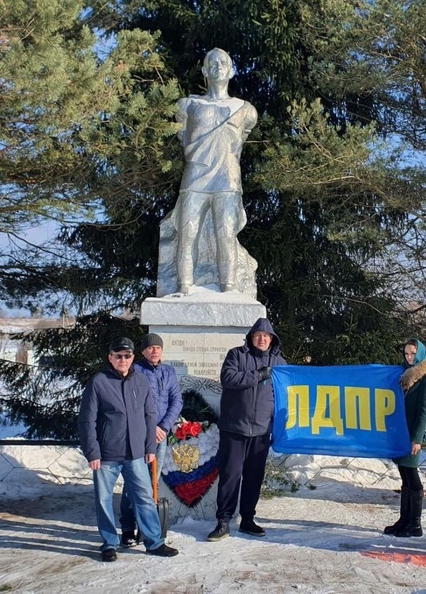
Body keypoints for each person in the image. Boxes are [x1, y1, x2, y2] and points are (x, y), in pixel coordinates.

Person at [77, 336, 179, 562]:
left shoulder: (140, 381)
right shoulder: (98, 382)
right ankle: (109, 543)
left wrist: (150, 446)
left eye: (127, 356)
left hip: (135, 453)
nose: (123, 360)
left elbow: (149, 414)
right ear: (110, 358)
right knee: (103, 500)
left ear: (133, 357)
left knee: (143, 497)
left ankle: (154, 542)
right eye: (118, 356)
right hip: (106, 454)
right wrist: (92, 452)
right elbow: (87, 420)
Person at [171, 47, 258, 294]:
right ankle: (184, 287)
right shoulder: (187, 105)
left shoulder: (246, 110)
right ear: (204, 70)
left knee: (226, 235)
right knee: (187, 233)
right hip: (195, 178)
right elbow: (183, 136)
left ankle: (228, 289)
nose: (218, 66)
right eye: (213, 62)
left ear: (231, 70)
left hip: (228, 180)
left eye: (223, 62)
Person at [207, 317, 286, 541]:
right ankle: (223, 521)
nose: (262, 339)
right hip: (234, 428)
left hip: (261, 430)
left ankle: (248, 519)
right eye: (258, 335)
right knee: (230, 476)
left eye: (266, 336)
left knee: (254, 477)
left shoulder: (280, 363)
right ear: (251, 337)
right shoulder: (237, 355)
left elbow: (287, 394)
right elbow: (228, 378)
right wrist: (259, 374)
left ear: (272, 339)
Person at [119, 333, 183, 548]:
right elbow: (131, 404)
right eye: (150, 347)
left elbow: (176, 401)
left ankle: (146, 528)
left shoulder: (168, 372)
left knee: (152, 483)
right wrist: (148, 428)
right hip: (138, 435)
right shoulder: (134, 371)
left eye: (158, 347)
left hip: (160, 435)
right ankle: (128, 528)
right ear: (143, 351)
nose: (154, 351)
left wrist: (163, 426)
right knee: (133, 482)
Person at [384, 339, 426, 538]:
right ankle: (404, 519)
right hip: (400, 432)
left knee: (412, 477)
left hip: (412, 435)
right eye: (406, 354)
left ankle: (415, 523)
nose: (409, 357)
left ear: (420, 353)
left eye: (413, 353)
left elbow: (424, 410)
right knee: (404, 476)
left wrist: (417, 438)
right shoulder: (404, 376)